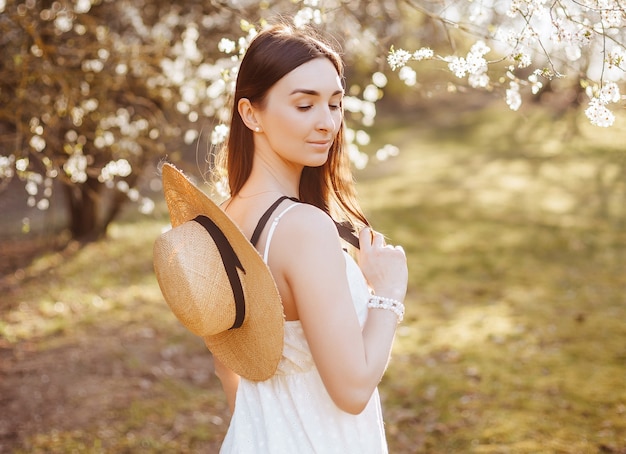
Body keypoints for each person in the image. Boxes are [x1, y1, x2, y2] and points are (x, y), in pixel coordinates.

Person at [209, 21, 409, 453]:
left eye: (335, 104)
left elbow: (229, 368)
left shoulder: (222, 220)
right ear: (250, 114)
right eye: (305, 106)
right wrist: (388, 295)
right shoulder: (302, 227)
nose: (327, 123)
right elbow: (352, 391)